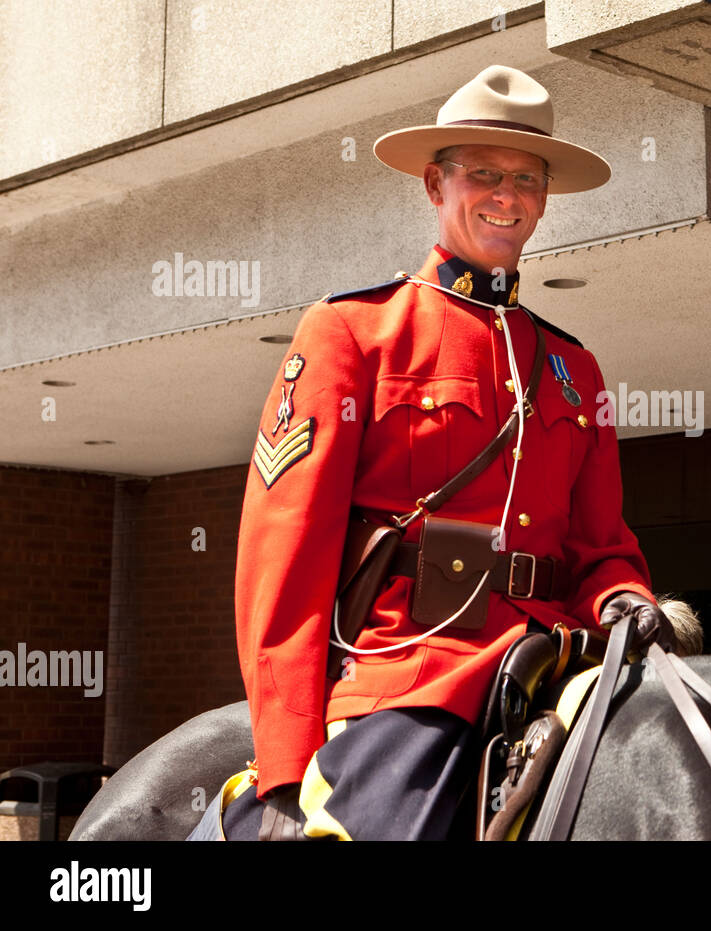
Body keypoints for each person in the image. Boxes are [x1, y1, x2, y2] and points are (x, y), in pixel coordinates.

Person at [200, 65, 676, 841]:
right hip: (416, 674)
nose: (506, 194)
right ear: (435, 184)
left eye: (526, 177)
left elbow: (602, 548)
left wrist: (626, 596)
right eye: (483, 173)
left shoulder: (572, 367)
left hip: (556, 662)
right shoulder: (353, 331)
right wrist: (286, 763)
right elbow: (282, 556)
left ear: (545, 198)